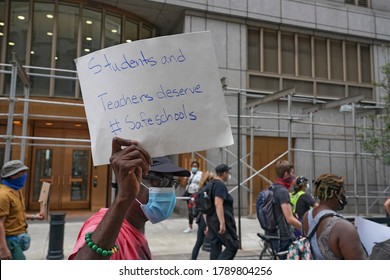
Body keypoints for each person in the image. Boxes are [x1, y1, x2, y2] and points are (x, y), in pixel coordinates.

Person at [69, 137, 190, 260]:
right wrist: (124, 196)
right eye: (161, 181)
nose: (169, 190)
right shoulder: (106, 231)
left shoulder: (136, 226)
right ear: (131, 180)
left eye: (172, 183)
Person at [302, 173, 367, 260]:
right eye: (343, 192)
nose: (344, 195)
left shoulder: (306, 216)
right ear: (336, 194)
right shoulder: (344, 228)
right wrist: (348, 229)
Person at [0, 160, 45, 260]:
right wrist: (3, 248)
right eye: (22, 172)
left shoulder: (17, 191)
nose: (25, 175)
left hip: (17, 239)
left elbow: (17, 214)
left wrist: (34, 217)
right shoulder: (3, 195)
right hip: (9, 241)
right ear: (13, 175)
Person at [267, 160, 301, 259]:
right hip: (283, 236)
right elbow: (289, 218)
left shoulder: (272, 187)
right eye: (293, 173)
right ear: (286, 174)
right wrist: (305, 228)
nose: (294, 176)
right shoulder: (282, 191)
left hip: (272, 233)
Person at [206, 163, 239, 260]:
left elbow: (207, 206)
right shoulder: (220, 185)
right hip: (219, 221)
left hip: (211, 220)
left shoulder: (211, 184)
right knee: (233, 246)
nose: (229, 175)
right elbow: (218, 203)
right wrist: (222, 223)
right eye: (228, 173)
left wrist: (208, 224)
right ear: (224, 173)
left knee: (215, 247)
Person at [190, 171, 215, 260]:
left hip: (201, 218)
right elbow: (206, 208)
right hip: (206, 218)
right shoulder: (208, 190)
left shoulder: (201, 188)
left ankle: (193, 259)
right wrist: (208, 224)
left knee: (199, 241)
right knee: (213, 242)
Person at [183, 161, 203, 233]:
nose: (194, 167)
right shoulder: (189, 173)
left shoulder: (200, 174)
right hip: (189, 193)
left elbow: (202, 182)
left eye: (196, 166)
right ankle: (190, 227)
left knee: (197, 210)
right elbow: (184, 183)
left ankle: (201, 225)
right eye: (193, 166)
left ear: (198, 167)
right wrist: (187, 178)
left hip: (196, 193)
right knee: (190, 210)